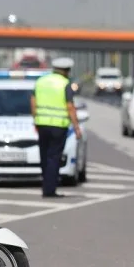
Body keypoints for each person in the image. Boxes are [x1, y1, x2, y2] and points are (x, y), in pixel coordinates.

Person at [30, 57, 82, 198]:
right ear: (66, 71)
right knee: (54, 157)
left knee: (44, 156)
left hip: (42, 124)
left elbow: (33, 102)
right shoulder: (65, 84)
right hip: (58, 126)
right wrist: (77, 127)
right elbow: (70, 106)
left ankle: (46, 185)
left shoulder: (41, 81)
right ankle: (49, 190)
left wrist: (35, 119)